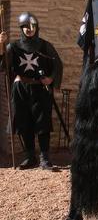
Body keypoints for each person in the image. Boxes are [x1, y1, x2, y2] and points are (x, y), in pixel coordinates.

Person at [0, 12, 63, 170]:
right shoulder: (13, 46)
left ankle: (44, 158)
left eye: (32, 26)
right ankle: (30, 156)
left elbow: (58, 64)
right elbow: (3, 66)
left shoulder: (44, 45)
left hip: (40, 89)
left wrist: (51, 78)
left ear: (37, 27)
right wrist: (1, 47)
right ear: (21, 28)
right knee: (23, 122)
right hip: (21, 89)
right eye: (26, 26)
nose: (29, 29)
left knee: (43, 123)